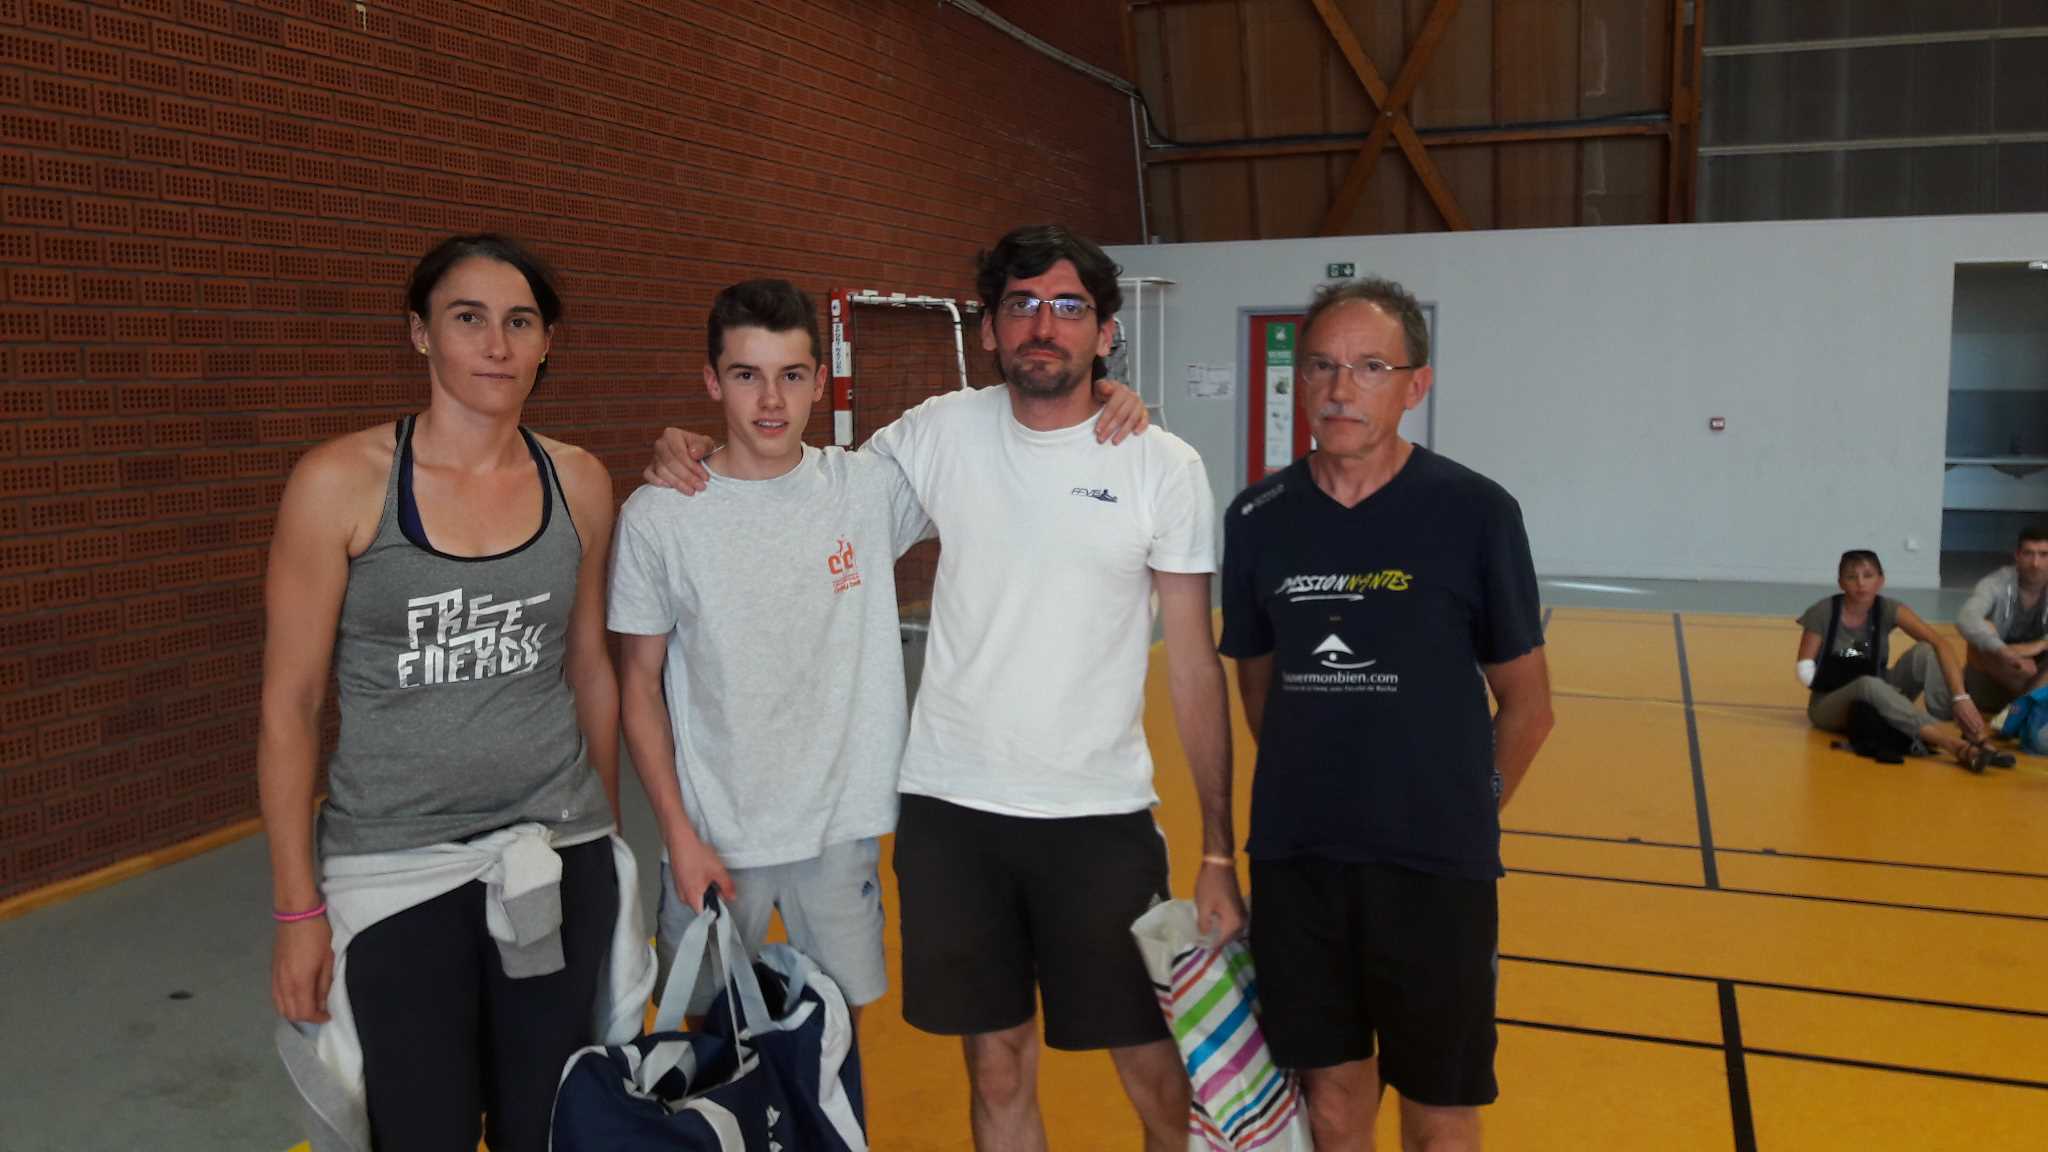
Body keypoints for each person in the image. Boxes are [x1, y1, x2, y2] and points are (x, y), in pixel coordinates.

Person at [647, 225, 1243, 1152]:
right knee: (996, 1064)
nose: (1043, 325)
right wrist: (689, 450)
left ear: (1105, 332)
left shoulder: (1161, 465)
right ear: (991, 328)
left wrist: (1216, 848)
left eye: (1068, 307)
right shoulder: (938, 432)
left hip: (1098, 817)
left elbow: (1198, 666)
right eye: (1021, 305)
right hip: (952, 815)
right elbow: (796, 483)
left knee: (1152, 1069)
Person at [260, 234, 646, 1152]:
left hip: (556, 855)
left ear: (547, 342)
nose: (497, 345)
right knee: (420, 1131)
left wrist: (606, 844)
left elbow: (589, 668)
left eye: (520, 322)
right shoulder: (339, 484)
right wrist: (297, 910)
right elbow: (290, 706)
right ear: (421, 333)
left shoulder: (580, 482)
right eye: (468, 318)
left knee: (548, 1125)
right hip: (394, 868)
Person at [1218, 277, 1552, 1152]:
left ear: (1416, 385)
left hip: (1436, 869)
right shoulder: (1257, 518)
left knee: (1440, 1111)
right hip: (1300, 865)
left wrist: (1465, 810)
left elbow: (1528, 706)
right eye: (1321, 366)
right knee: (1331, 1101)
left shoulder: (1476, 513)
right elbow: (1258, 688)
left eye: (1371, 367)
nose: (1340, 389)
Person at [608, 280, 933, 1024]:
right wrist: (678, 834)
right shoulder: (660, 517)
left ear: (820, 381)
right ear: (711, 381)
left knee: (835, 1040)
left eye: (790, 375)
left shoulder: (866, 490)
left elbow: (999, 431)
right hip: (714, 835)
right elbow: (639, 686)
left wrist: (1102, 389)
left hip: (840, 832)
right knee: (706, 1047)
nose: (770, 401)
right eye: (746, 375)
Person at [1795, 549, 2005, 770]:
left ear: (1880, 580)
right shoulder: (1823, 612)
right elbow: (1804, 669)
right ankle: (1953, 745)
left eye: (1868, 576)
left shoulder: (1887, 608)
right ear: (1841, 583)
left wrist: (1960, 698)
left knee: (1925, 652)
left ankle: (1972, 732)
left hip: (1877, 688)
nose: (1861, 583)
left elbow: (1940, 643)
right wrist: (1841, 672)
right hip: (1829, 703)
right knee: (1867, 684)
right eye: (1851, 577)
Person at [1956, 525, 2048, 720]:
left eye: (2043, 555)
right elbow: (1966, 618)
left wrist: (2040, 644)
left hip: (2037, 674)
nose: (2035, 563)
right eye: (2029, 554)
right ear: (2017, 556)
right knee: (1983, 632)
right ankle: (2025, 709)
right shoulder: (1996, 583)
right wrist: (2006, 652)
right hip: (1997, 675)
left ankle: (2018, 712)